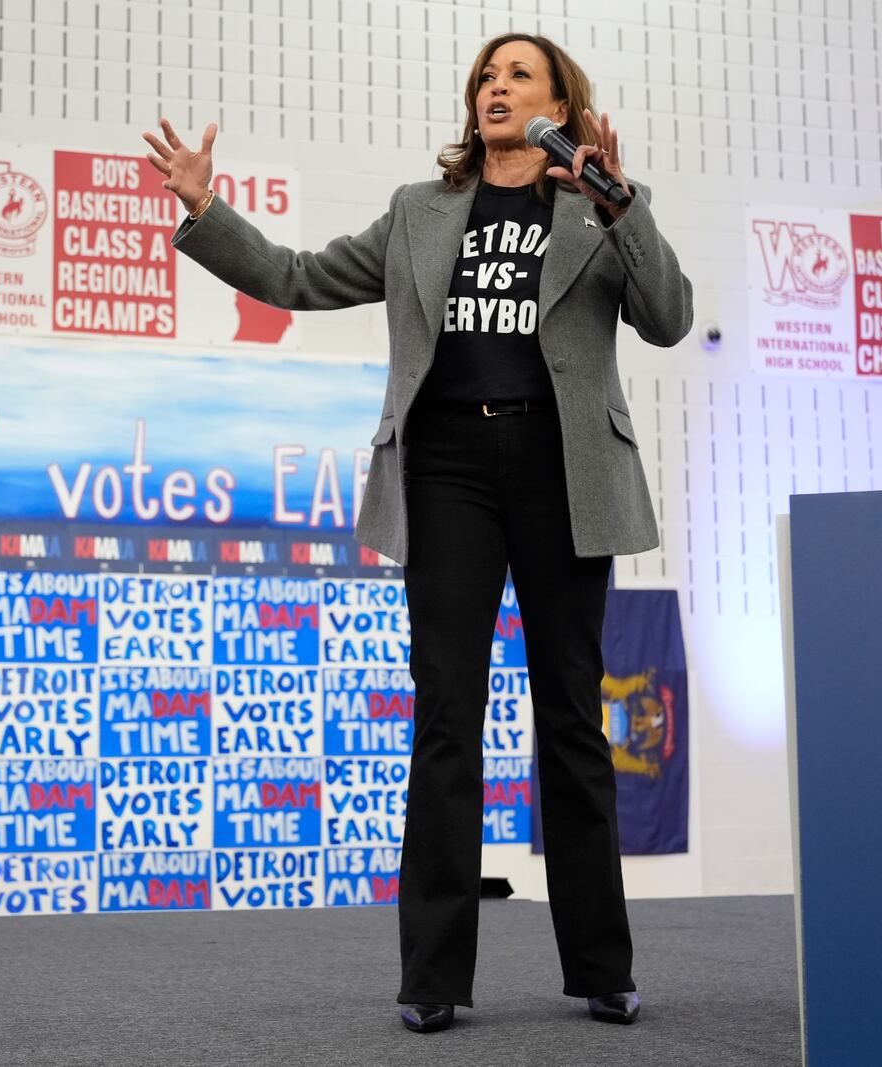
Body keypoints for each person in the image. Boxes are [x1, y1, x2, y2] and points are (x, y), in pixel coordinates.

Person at [144, 31, 692, 1034]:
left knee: (570, 717)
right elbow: (299, 277)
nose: (495, 87)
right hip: (445, 472)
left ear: (560, 104)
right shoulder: (420, 211)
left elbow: (666, 317)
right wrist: (206, 210)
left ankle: (600, 965)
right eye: (486, 75)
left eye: (517, 75)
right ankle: (432, 975)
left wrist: (621, 206)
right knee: (446, 714)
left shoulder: (600, 206)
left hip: (563, 474)